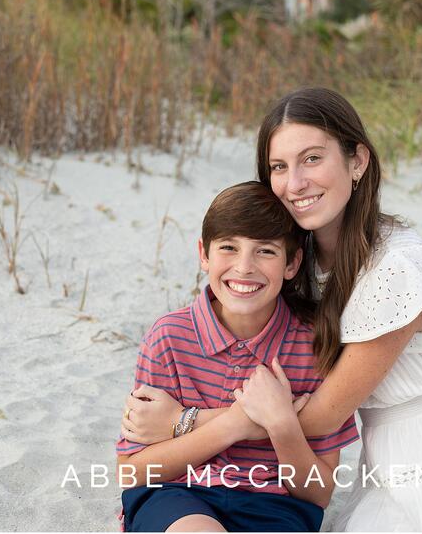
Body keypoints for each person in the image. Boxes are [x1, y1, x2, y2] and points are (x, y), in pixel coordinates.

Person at [120, 87, 422, 531]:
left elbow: (322, 416)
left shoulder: (394, 266)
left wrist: (183, 422)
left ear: (357, 161)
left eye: (312, 159)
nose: (295, 182)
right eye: (279, 166)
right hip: (388, 452)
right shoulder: (300, 258)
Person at [115, 181, 359, 532]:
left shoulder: (314, 344)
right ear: (204, 253)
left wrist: (281, 423)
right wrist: (235, 424)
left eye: (265, 252)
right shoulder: (168, 337)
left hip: (276, 505)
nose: (244, 267)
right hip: (177, 494)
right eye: (229, 247)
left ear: (292, 263)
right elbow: (132, 470)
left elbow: (318, 494)